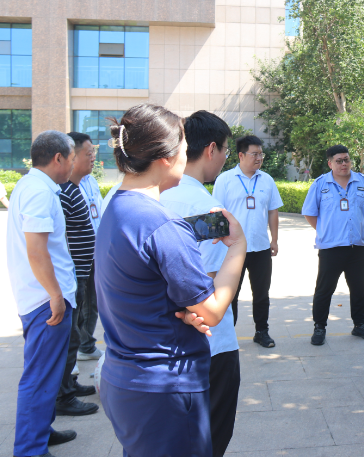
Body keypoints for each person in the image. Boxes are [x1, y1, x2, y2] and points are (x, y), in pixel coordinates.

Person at [94, 103, 246, 456]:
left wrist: (181, 310)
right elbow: (211, 311)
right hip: (165, 386)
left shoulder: (115, 205)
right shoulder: (162, 225)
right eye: (183, 146)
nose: (187, 154)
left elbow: (142, 285)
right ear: (165, 156)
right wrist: (238, 245)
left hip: (125, 378)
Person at [160, 110, 241, 457]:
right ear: (211, 149)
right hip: (209, 346)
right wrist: (239, 247)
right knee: (209, 439)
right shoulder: (208, 209)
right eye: (225, 150)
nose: (224, 158)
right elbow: (207, 285)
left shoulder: (144, 198)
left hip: (157, 346)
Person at [7, 131, 78, 456]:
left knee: (46, 373)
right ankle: (29, 449)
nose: (73, 164)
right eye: (72, 158)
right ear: (58, 158)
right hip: (45, 301)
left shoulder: (32, 185)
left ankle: (40, 431)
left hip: (40, 296)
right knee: (39, 376)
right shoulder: (39, 191)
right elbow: (36, 251)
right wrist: (55, 295)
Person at [301, 144, 364, 346]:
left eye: (346, 159)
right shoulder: (320, 184)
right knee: (324, 290)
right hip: (331, 248)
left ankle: (360, 325)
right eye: (339, 161)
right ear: (330, 163)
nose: (344, 164)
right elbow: (309, 213)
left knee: (359, 289)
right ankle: (319, 327)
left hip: (357, 248)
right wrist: (324, 230)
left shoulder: (361, 182)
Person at [213, 135, 283, 348]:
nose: (259, 158)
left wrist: (274, 240)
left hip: (261, 247)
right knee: (230, 294)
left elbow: (272, 211)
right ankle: (228, 335)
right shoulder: (225, 180)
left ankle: (262, 332)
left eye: (261, 154)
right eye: (255, 154)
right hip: (233, 250)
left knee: (261, 293)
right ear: (241, 155)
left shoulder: (267, 180)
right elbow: (217, 213)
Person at [54, 132, 101, 418]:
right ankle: (63, 397)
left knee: (74, 334)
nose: (92, 157)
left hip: (83, 272)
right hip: (72, 276)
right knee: (69, 338)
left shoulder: (77, 188)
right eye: (87, 153)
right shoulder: (63, 193)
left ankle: (69, 385)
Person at [68, 133, 104, 363]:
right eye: (88, 153)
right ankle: (73, 351)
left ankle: (86, 345)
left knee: (92, 302)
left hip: (94, 253)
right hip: (75, 259)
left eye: (94, 153)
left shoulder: (90, 181)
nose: (93, 158)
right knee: (76, 304)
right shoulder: (63, 187)